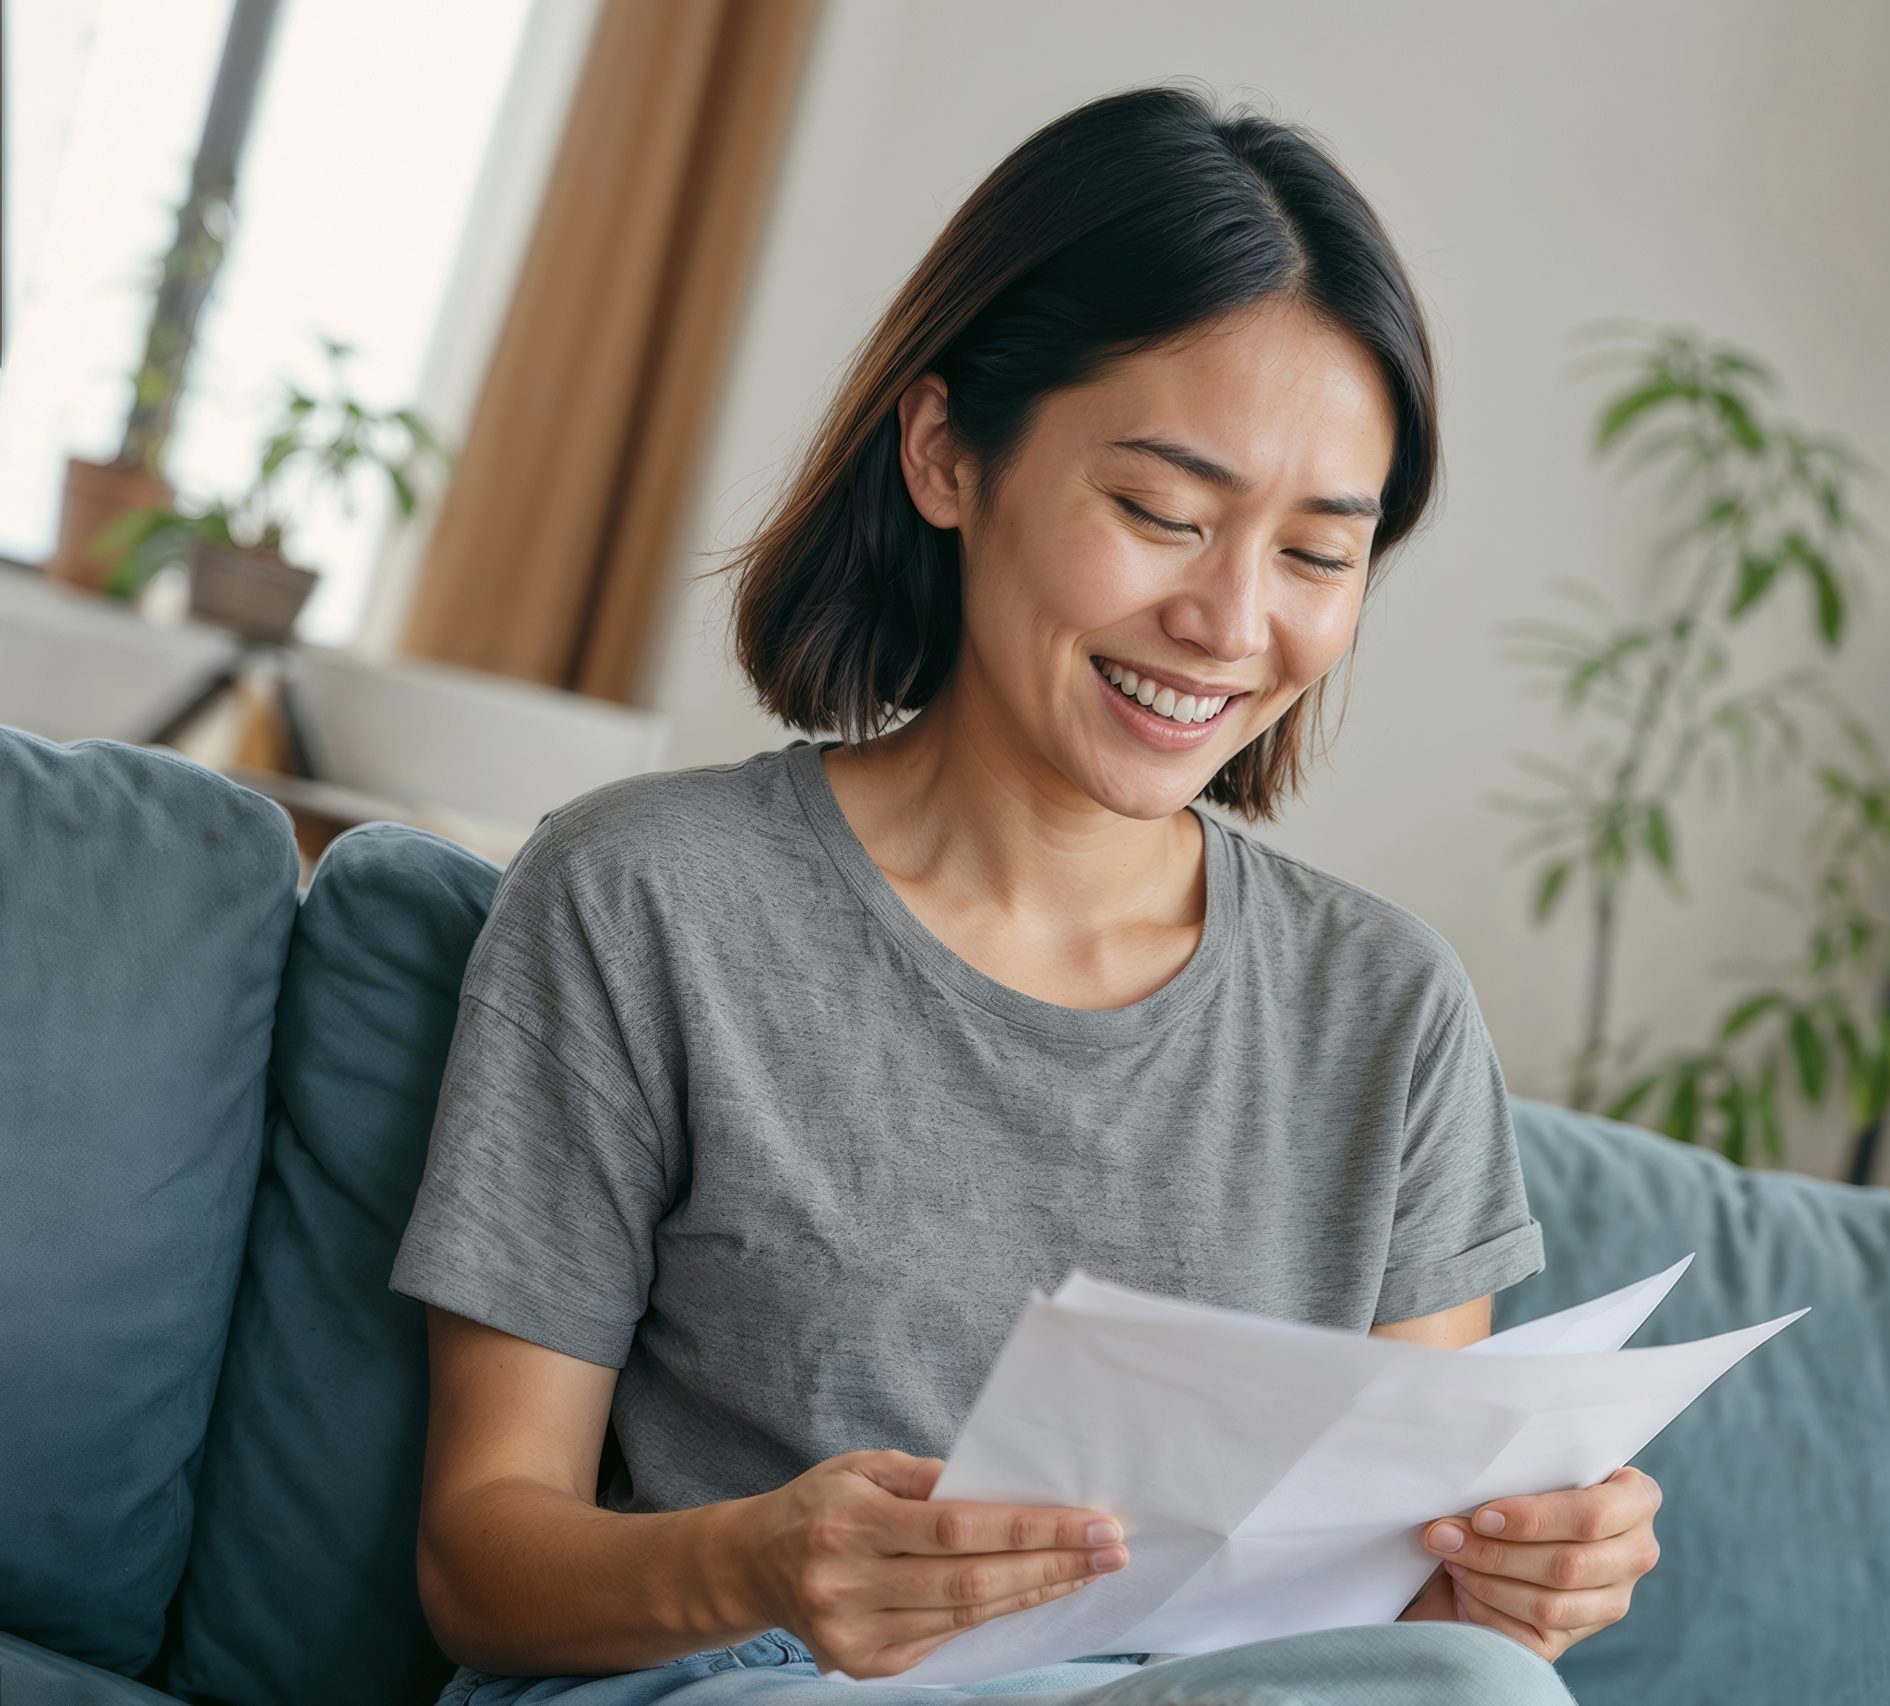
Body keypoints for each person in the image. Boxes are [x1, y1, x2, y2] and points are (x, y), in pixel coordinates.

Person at [391, 81, 1663, 1706]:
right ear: (945, 453)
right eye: (1161, 513)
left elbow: (1395, 1623)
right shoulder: (648, 896)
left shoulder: (1386, 1010)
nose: (1227, 619)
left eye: (1315, 554)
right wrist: (761, 1559)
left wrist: (1514, 1585)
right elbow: (476, 1555)